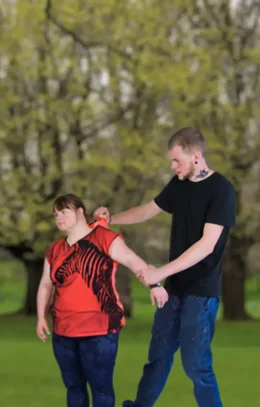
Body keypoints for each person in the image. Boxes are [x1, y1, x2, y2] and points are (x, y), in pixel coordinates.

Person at [93, 127, 236, 407]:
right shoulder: (179, 184)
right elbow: (149, 209)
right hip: (174, 290)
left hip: (201, 292)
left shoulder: (221, 190)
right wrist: (110, 220)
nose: (172, 166)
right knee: (157, 358)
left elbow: (207, 245)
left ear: (196, 156)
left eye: (176, 160)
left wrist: (161, 272)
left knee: (196, 366)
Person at [36, 193, 170, 407]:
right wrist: (41, 317)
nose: (59, 217)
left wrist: (154, 284)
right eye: (55, 214)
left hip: (99, 331)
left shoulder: (104, 238)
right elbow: (45, 284)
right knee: (74, 388)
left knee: (101, 390)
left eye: (64, 211)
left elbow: (133, 261)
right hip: (63, 332)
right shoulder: (54, 250)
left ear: (80, 212)